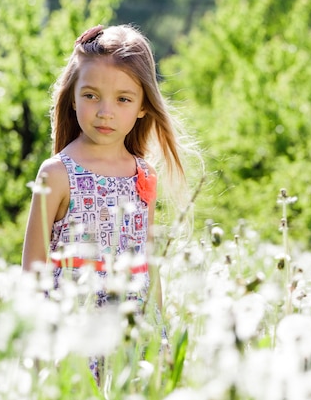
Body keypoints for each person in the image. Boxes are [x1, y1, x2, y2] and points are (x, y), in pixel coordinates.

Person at [22, 24, 195, 379]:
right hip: (69, 334)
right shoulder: (56, 174)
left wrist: (159, 335)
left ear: (144, 106)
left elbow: (148, 267)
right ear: (72, 97)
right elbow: (32, 271)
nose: (105, 111)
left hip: (131, 334)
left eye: (123, 99)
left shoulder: (144, 175)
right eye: (91, 96)